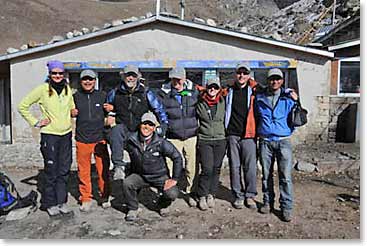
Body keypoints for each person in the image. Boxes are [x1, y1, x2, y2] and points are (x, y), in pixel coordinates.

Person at [18, 60, 75, 218]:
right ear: (49, 74)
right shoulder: (43, 89)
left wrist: (74, 112)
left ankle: (61, 202)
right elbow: (22, 105)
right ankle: (49, 204)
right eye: (54, 73)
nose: (57, 76)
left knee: (64, 170)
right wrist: (36, 122)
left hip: (66, 134)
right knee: (51, 171)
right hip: (50, 135)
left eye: (60, 73)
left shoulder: (67, 89)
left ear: (64, 74)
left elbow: (71, 107)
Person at [105, 64, 168, 181]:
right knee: (116, 129)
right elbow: (106, 109)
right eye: (128, 75)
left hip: (140, 131)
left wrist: (163, 126)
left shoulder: (146, 92)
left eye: (133, 75)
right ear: (123, 76)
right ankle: (118, 166)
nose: (130, 78)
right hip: (123, 130)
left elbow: (159, 109)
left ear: (138, 77)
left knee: (139, 163)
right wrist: (108, 113)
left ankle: (151, 179)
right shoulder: (115, 92)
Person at [254, 68, 298, 222]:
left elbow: (298, 116)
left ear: (282, 81)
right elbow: (256, 117)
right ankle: (267, 202)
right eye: (272, 79)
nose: (275, 81)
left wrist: (297, 100)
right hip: (265, 141)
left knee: (285, 176)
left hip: (283, 141)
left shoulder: (288, 98)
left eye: (278, 79)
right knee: (266, 175)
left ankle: (286, 207)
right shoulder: (259, 98)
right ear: (268, 80)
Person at [123, 112, 183, 221]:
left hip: (159, 176)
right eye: (144, 123)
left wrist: (174, 179)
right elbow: (117, 144)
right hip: (140, 175)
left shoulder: (161, 142)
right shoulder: (131, 140)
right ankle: (132, 208)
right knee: (127, 183)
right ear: (140, 125)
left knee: (172, 193)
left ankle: (162, 205)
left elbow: (177, 157)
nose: (147, 127)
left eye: (150, 124)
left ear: (154, 128)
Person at [157, 67, 200, 207]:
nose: (175, 81)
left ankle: (190, 193)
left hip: (191, 136)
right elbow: (158, 112)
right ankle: (169, 194)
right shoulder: (164, 94)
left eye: (178, 78)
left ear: (184, 78)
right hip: (172, 136)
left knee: (191, 167)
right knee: (169, 167)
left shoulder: (194, 92)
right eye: (173, 78)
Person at [71, 69, 111, 212]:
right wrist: (71, 112)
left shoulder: (103, 95)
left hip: (100, 139)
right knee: (83, 171)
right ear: (80, 82)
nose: (88, 82)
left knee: (103, 170)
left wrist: (112, 109)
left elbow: (113, 113)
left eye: (90, 79)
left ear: (95, 81)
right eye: (84, 79)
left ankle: (104, 196)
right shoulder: (75, 97)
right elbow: (67, 110)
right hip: (82, 139)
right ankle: (86, 198)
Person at [225, 62, 258, 210]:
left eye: (245, 73)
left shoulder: (254, 91)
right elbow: (210, 92)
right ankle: (238, 195)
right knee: (234, 166)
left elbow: (272, 90)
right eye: (239, 73)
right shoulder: (228, 91)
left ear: (249, 75)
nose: (242, 76)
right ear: (235, 74)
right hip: (232, 134)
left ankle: (249, 195)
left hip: (249, 135)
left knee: (250, 167)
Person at [196, 78, 227, 211]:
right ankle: (202, 195)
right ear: (206, 88)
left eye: (215, 87)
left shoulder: (223, 101)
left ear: (219, 89)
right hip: (205, 139)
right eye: (210, 87)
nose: (212, 89)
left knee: (216, 168)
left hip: (220, 139)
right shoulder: (200, 103)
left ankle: (211, 194)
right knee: (207, 169)